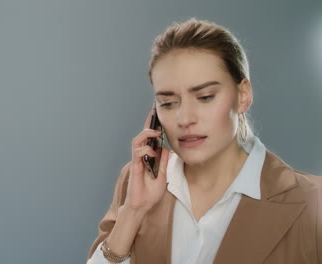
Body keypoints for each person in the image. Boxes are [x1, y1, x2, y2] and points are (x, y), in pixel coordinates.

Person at [86, 18, 322, 264]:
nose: (185, 118)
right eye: (167, 103)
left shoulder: (312, 202)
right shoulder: (136, 183)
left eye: (205, 97)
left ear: (243, 96)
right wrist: (133, 213)